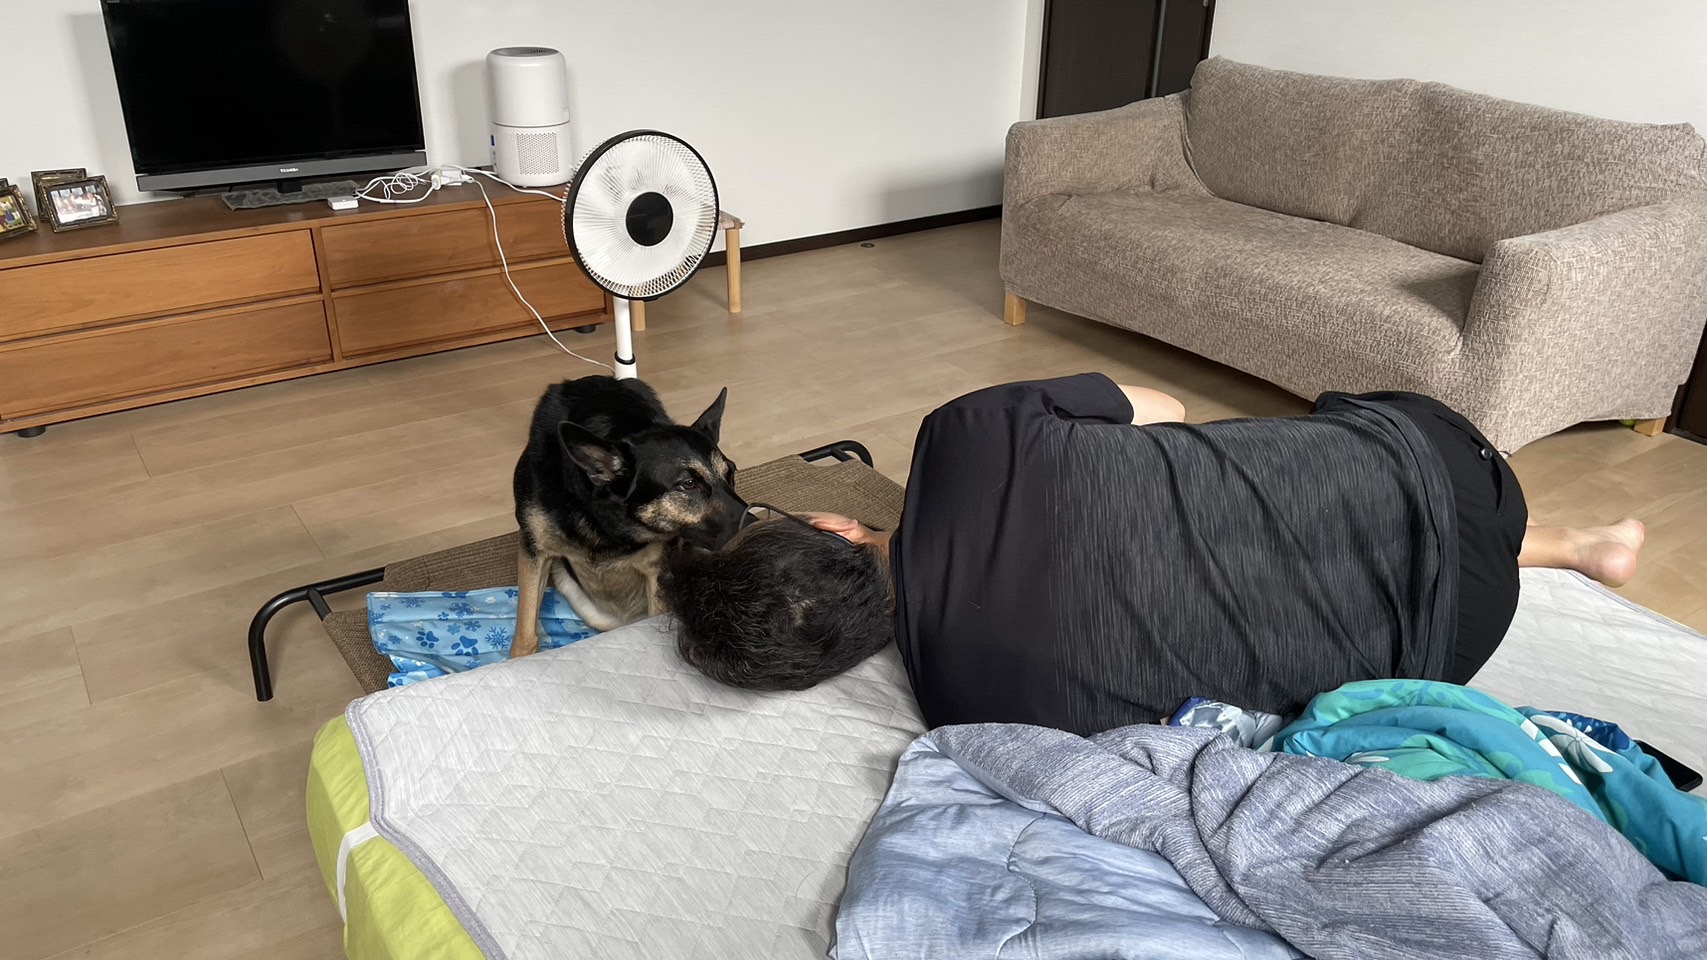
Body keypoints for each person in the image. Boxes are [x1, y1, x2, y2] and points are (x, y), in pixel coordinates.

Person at [660, 374, 1645, 735]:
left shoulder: (966, 711)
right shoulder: (960, 437)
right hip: (1448, 467)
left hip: (1453, 642)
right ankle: (1560, 537)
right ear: (836, 529)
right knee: (1271, 457)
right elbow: (1164, 408)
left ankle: (1573, 549)